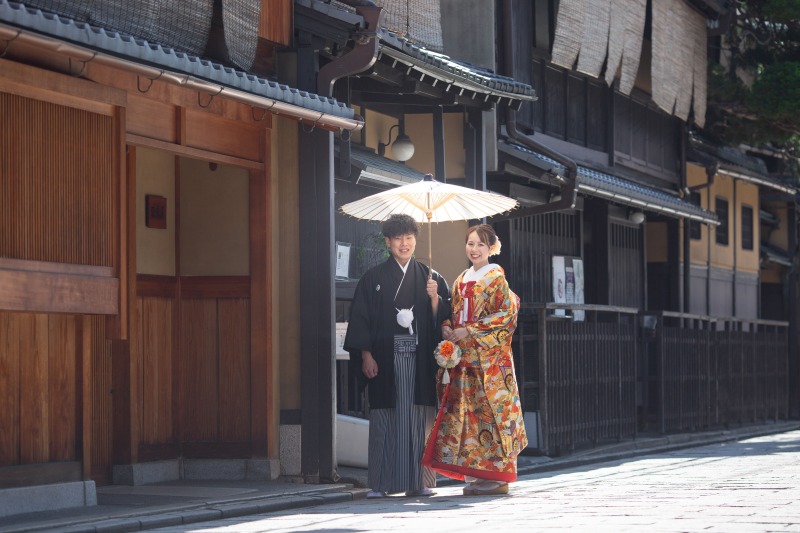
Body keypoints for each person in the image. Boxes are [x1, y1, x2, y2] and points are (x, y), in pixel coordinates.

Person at [344, 213, 451, 498]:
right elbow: (361, 319)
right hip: (385, 358)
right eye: (398, 239)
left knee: (419, 420)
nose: (404, 244)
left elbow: (444, 322)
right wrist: (366, 355)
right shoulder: (373, 279)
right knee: (385, 420)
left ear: (415, 240)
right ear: (388, 242)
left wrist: (434, 298)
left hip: (419, 358)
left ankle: (421, 482)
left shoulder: (432, 278)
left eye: (409, 238)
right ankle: (380, 483)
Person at [422, 223, 527, 496]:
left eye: (481, 244)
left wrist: (469, 329)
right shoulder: (460, 279)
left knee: (491, 414)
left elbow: (507, 315)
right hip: (464, 358)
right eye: (470, 243)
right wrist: (447, 324)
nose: (475, 249)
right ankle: (477, 474)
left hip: (490, 360)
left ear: (492, 247)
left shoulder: (496, 278)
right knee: (467, 413)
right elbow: (452, 311)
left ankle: (496, 476)